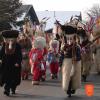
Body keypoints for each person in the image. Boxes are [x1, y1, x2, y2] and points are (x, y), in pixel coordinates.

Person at [0, 30, 22, 96]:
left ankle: (13, 88)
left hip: (14, 64)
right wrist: (0, 59)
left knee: (14, 78)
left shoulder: (17, 46)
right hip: (5, 64)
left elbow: (19, 55)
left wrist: (18, 62)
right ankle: (7, 89)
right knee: (6, 77)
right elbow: (1, 53)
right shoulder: (4, 45)